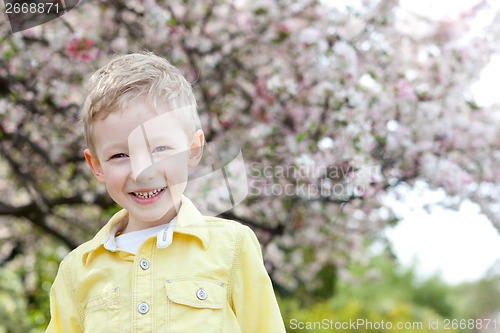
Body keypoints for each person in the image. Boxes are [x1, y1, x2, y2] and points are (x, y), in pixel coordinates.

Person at [45, 52, 286, 333]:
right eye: (120, 155)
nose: (142, 171)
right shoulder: (77, 271)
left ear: (193, 149)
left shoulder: (232, 247)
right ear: (96, 166)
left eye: (160, 149)